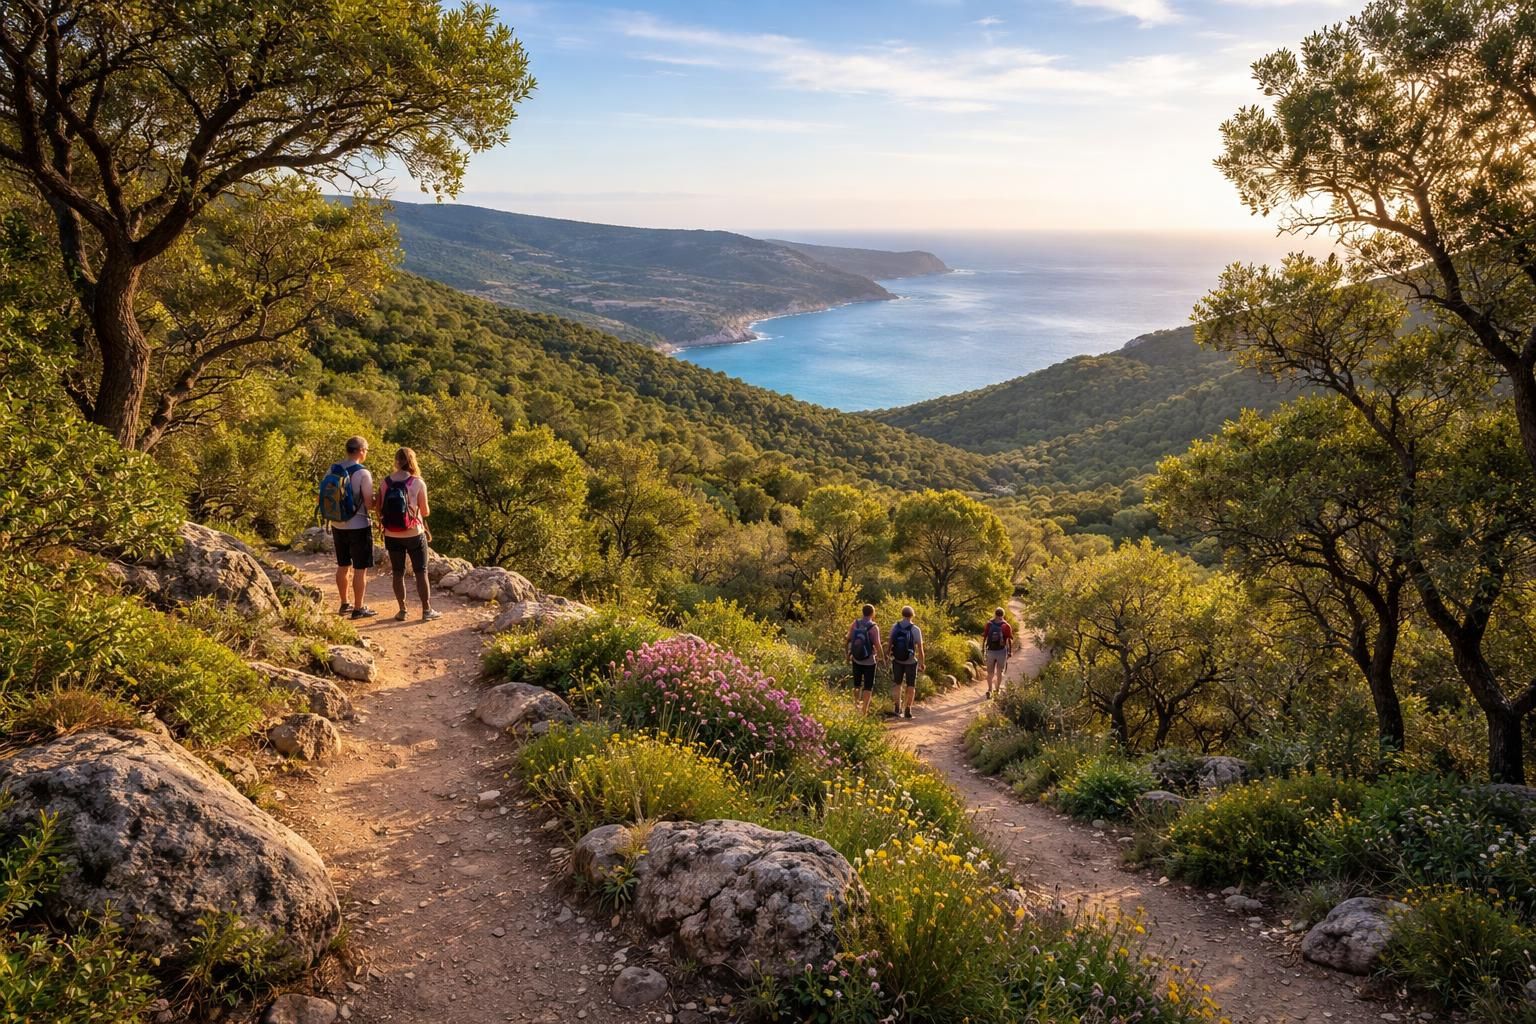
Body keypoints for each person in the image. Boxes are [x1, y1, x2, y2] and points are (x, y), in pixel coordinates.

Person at [376, 447, 441, 622]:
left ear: (396, 461)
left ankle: (402, 610)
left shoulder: (386, 482)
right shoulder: (418, 482)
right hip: (414, 533)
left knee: (398, 572)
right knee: (421, 571)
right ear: (413, 460)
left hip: (392, 534)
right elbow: (425, 511)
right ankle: (427, 610)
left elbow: (379, 508)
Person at [322, 435, 376, 620]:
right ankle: (359, 607)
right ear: (361, 451)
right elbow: (369, 504)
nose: (366, 453)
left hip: (338, 524)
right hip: (359, 525)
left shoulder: (333, 468)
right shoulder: (363, 473)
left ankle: (345, 603)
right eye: (366, 450)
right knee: (360, 569)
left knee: (343, 565)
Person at [846, 603, 884, 716]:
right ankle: (864, 712)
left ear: (862, 612)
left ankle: (855, 706)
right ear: (872, 613)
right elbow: (877, 645)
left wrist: (847, 655)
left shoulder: (855, 623)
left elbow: (848, 639)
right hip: (869, 661)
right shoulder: (873, 627)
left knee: (856, 684)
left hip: (856, 658)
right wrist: (882, 657)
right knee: (868, 686)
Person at [889, 605, 925, 719]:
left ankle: (897, 707)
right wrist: (921, 663)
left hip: (897, 660)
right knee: (911, 685)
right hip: (910, 661)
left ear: (902, 614)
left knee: (897, 683)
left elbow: (890, 643)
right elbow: (920, 648)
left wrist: (887, 654)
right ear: (912, 615)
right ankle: (908, 709)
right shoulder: (915, 629)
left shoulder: (895, 626)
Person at [981, 607, 1014, 699]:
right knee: (1000, 672)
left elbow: (985, 637)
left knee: (990, 673)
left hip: (990, 651)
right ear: (1003, 615)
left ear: (995, 614)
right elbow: (1009, 639)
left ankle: (989, 690)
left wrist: (983, 649)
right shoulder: (1006, 625)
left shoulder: (989, 624)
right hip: (1001, 651)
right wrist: (1010, 652)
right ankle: (997, 690)